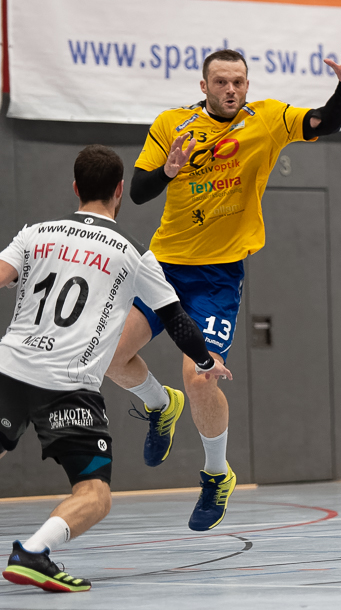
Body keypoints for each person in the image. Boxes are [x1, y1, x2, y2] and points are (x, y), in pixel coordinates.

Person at [104, 49, 341, 531]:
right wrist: (168, 170)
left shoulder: (267, 120)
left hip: (217, 276)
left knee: (201, 376)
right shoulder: (172, 124)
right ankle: (160, 405)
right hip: (164, 266)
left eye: (238, 82)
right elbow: (137, 192)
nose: (230, 89)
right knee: (111, 357)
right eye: (221, 81)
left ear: (247, 85)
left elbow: (324, 122)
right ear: (203, 86)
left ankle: (216, 474)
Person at [0, 145, 232, 593]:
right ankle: (32, 552)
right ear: (120, 190)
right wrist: (206, 361)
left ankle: (161, 405)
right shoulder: (133, 253)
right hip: (68, 387)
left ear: (75, 187)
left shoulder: (34, 234)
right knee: (94, 493)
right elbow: (177, 321)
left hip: (9, 370)